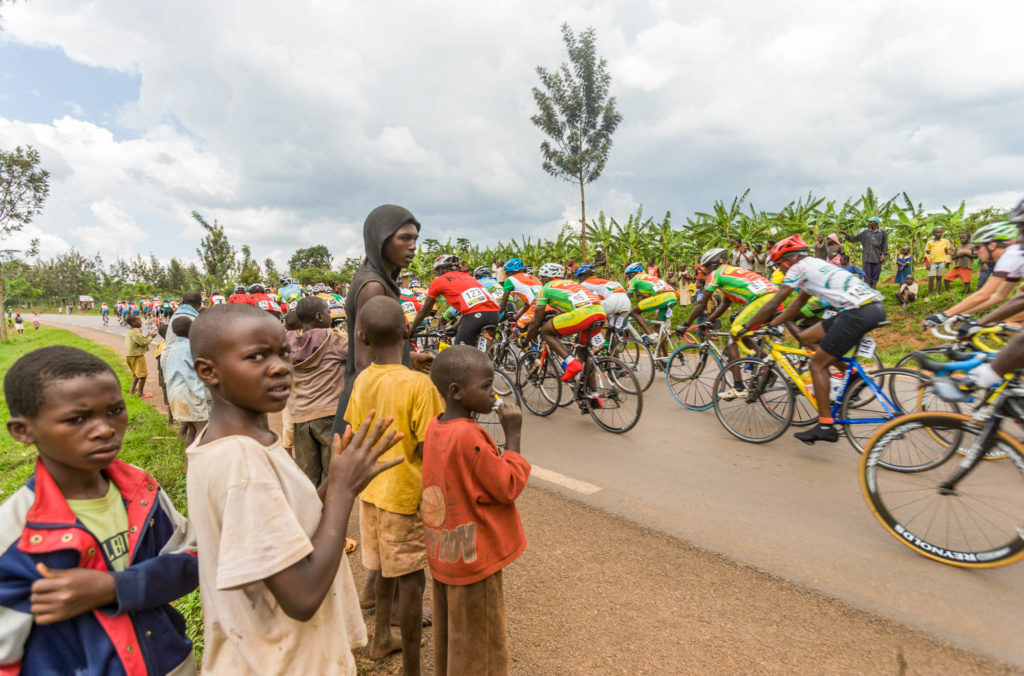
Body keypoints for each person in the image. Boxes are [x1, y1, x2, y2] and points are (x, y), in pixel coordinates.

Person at [186, 303, 402, 674]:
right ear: (209, 372)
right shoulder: (242, 462)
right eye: (257, 357)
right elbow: (302, 596)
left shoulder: (237, 442)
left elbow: (287, 524)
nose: (280, 366)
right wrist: (342, 493)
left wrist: (335, 479)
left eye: (283, 352)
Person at [0, 345, 199, 675]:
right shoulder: (16, 533)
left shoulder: (141, 489)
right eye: (77, 419)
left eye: (115, 410)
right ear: (23, 431)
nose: (105, 429)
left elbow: (193, 559)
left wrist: (116, 588)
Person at [344, 296, 445, 674]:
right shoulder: (420, 385)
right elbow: (430, 447)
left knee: (382, 569)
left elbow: (356, 433)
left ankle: (381, 638)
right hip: (404, 496)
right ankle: (413, 669)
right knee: (411, 579)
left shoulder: (362, 380)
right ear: (407, 331)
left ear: (361, 337)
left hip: (370, 492)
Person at [424, 346, 530, 676]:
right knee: (481, 644)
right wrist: (513, 437)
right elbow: (507, 486)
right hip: (475, 559)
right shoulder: (470, 436)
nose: (494, 394)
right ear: (457, 392)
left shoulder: (436, 427)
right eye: (486, 387)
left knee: (453, 634)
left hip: (446, 553)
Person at [739, 234, 885, 445]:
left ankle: (825, 425)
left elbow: (774, 302)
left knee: (817, 365)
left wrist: (746, 327)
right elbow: (797, 304)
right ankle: (850, 372)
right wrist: (773, 323)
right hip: (869, 308)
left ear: (789, 260)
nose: (779, 270)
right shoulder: (813, 265)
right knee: (806, 336)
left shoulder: (798, 268)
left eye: (779, 265)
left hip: (857, 312)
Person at [678, 247, 779, 400]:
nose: (704, 273)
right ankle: (768, 364)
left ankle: (738, 386)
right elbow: (724, 304)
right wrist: (708, 321)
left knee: (732, 337)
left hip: (762, 301)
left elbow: (701, 304)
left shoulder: (716, 274)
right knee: (743, 336)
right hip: (776, 300)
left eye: (704, 269)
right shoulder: (731, 271)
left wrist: (685, 324)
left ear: (712, 266)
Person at [288, 296, 348, 487]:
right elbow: (361, 355)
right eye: (328, 312)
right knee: (333, 476)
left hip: (300, 417)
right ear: (319, 316)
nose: (331, 315)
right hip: (330, 415)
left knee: (308, 478)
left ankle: (312, 515)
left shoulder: (287, 342)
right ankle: (330, 515)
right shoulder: (335, 338)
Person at [923, 221, 1022, 329]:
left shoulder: (1011, 255)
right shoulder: (1012, 255)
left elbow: (983, 294)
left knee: (1011, 325)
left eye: (978, 247)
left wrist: (944, 315)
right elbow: (998, 296)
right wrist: (960, 314)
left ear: (992, 245)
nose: (975, 252)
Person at [523, 262, 607, 383]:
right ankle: (592, 395)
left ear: (548, 278)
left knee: (546, 332)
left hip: (582, 314)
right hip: (600, 313)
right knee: (584, 354)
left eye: (542, 278)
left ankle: (571, 362)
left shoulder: (547, 287)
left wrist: (526, 341)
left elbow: (536, 320)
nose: (541, 281)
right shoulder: (573, 283)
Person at [411, 255, 501, 348]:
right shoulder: (468, 277)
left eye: (437, 270)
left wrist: (410, 331)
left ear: (441, 269)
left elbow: (424, 311)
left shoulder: (439, 281)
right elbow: (472, 306)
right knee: (484, 351)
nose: (436, 274)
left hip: (475, 315)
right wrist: (455, 327)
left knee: (460, 352)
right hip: (494, 313)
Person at [165, 316, 209, 447]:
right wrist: (201, 395)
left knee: (192, 428)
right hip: (189, 393)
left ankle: (188, 457)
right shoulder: (191, 348)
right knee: (203, 427)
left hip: (175, 394)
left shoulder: (173, 348)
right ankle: (196, 460)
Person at [624, 261, 678, 345]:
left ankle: (651, 335)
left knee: (633, 312)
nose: (628, 278)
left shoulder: (634, 279)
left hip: (662, 297)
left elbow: (628, 297)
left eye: (628, 276)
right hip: (672, 296)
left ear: (632, 274)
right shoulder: (650, 277)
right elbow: (645, 298)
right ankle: (664, 356)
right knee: (658, 328)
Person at [575, 263, 631, 336]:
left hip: (613, 300)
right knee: (612, 328)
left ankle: (590, 339)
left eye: (579, 278)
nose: (580, 280)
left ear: (583, 276)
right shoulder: (604, 281)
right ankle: (612, 344)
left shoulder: (585, 284)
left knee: (590, 318)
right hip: (626, 301)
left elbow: (578, 299)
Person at [840, 216, 889, 288]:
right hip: (867, 258)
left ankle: (873, 288)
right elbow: (854, 239)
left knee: (875, 275)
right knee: (866, 275)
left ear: (876, 223)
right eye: (868, 221)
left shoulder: (883, 233)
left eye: (870, 222)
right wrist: (845, 234)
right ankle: (868, 289)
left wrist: (883, 254)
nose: (868, 223)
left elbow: (885, 244)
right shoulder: (865, 232)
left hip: (877, 258)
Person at [496, 258, 543, 330]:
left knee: (518, 329)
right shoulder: (533, 277)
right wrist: (516, 317)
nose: (507, 275)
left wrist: (495, 317)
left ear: (510, 272)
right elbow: (527, 304)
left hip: (536, 305)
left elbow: (503, 304)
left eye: (507, 273)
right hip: (545, 303)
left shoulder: (510, 280)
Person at [124, 315, 156, 398]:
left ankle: (131, 391)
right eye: (139, 320)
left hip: (130, 356)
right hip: (137, 356)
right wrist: (151, 337)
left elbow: (140, 339)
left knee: (136, 375)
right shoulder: (135, 332)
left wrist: (148, 336)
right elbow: (143, 342)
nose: (141, 321)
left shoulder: (131, 331)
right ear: (133, 323)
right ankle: (140, 394)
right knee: (142, 375)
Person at [924, 226, 952, 294]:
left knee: (939, 277)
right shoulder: (930, 242)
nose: (939, 234)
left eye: (941, 232)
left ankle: (937, 292)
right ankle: (930, 293)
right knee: (931, 278)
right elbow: (927, 253)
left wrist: (948, 262)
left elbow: (947, 252)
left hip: (942, 262)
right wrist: (927, 263)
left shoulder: (945, 242)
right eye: (937, 232)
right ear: (933, 234)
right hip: (932, 262)